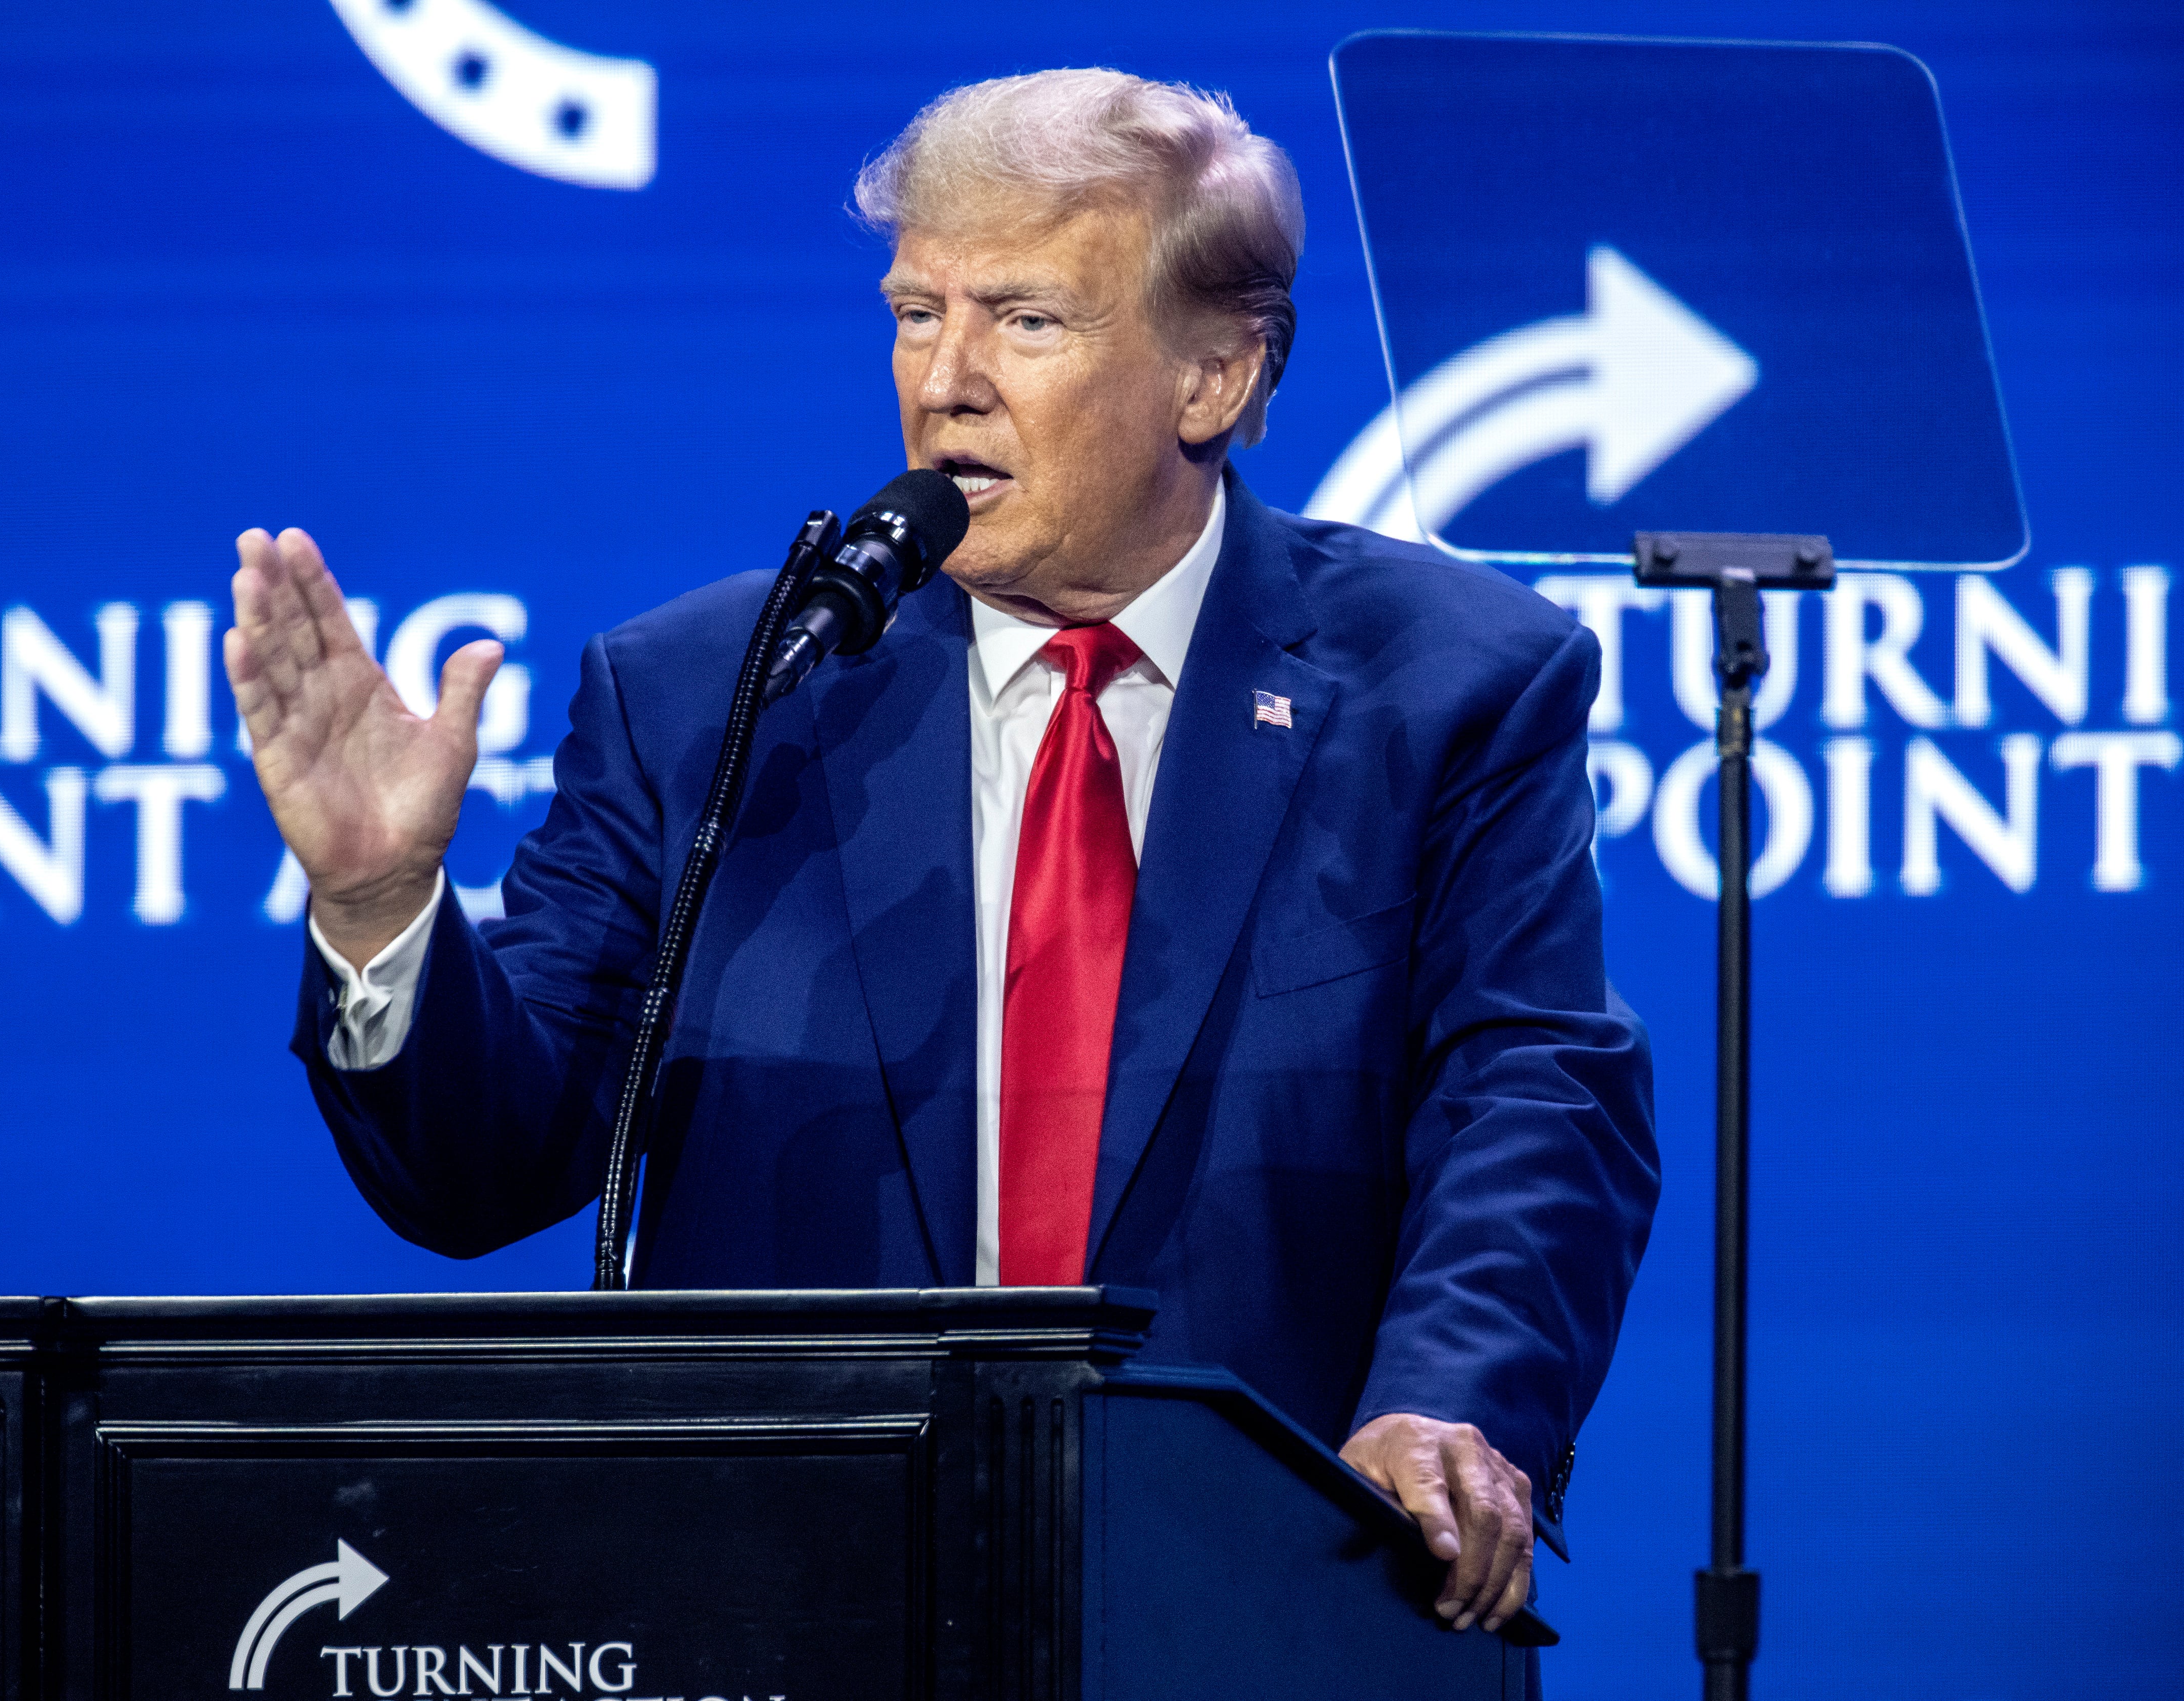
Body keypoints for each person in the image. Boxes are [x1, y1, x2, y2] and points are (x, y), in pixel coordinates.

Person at [227, 69, 1658, 1640]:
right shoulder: (717, 693)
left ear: (1220, 375)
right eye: (918, 312)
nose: (947, 382)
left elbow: (1537, 1090)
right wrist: (377, 903)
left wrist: (1454, 1412)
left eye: (1026, 322)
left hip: (1274, 1595)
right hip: (785, 1601)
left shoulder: (1446, 684)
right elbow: (492, 1165)